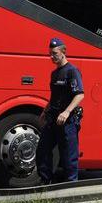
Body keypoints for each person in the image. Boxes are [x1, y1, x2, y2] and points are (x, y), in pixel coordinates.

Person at [38, 37, 85, 184]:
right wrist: (45, 111)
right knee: (42, 151)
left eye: (55, 53)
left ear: (63, 52)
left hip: (67, 121)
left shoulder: (72, 71)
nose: (52, 57)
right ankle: (46, 184)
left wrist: (66, 112)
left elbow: (80, 94)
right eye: (50, 54)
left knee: (68, 156)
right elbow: (54, 97)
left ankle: (70, 187)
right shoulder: (54, 73)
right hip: (53, 118)